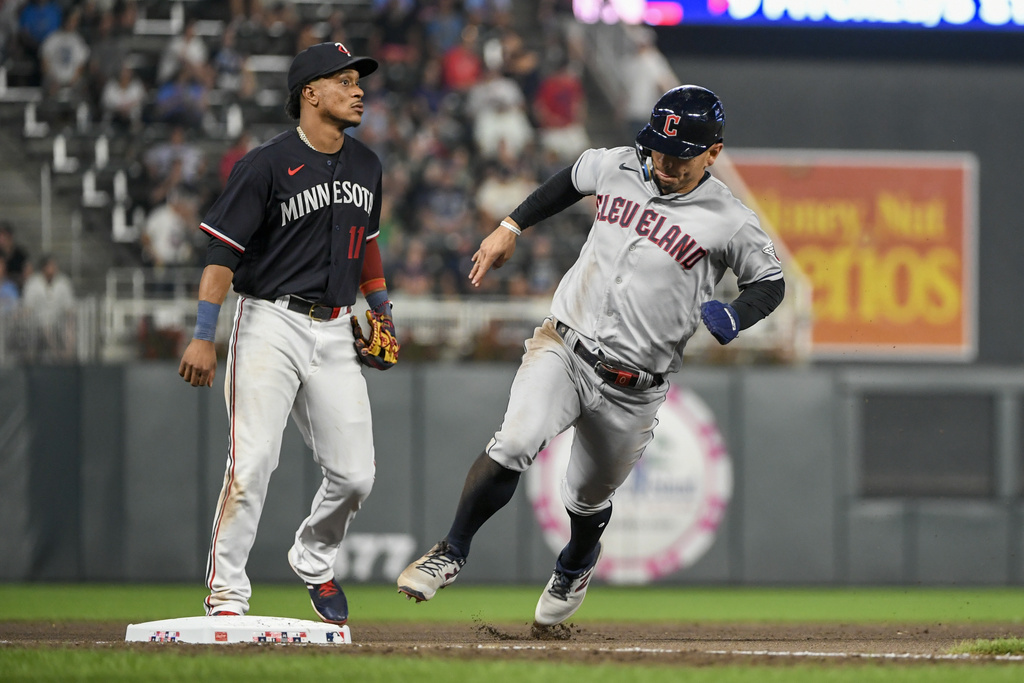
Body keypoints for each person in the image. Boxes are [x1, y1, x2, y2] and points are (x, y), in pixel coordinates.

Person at [397, 85, 785, 627]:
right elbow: (568, 181)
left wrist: (738, 314)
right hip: (566, 345)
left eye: (681, 155)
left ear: (713, 153)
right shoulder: (619, 165)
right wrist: (511, 227)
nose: (664, 163)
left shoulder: (729, 218)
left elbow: (771, 282)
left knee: (585, 498)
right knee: (513, 441)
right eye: (658, 149)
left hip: (636, 387)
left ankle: (576, 563)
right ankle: (451, 550)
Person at [178, 42, 399, 625]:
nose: (358, 91)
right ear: (311, 92)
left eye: (359, 82)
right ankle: (226, 596)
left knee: (355, 476)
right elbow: (221, 255)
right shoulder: (266, 164)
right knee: (251, 466)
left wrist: (382, 311)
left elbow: (367, 245)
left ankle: (313, 556)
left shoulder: (367, 165)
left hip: (335, 329)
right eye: (345, 81)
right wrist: (205, 333)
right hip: (269, 322)